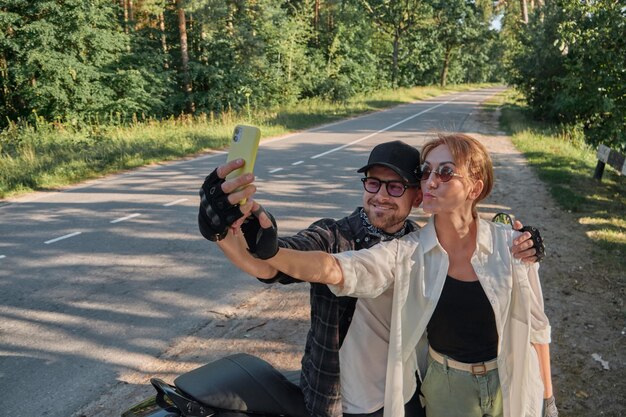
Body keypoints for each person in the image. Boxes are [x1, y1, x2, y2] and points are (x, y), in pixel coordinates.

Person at [197, 140, 545, 417]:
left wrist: (517, 241)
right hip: (339, 399)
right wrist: (224, 233)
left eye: (395, 187)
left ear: (417, 195)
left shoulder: (423, 245)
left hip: (405, 391)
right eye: (373, 183)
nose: (379, 195)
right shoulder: (337, 235)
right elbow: (283, 266)